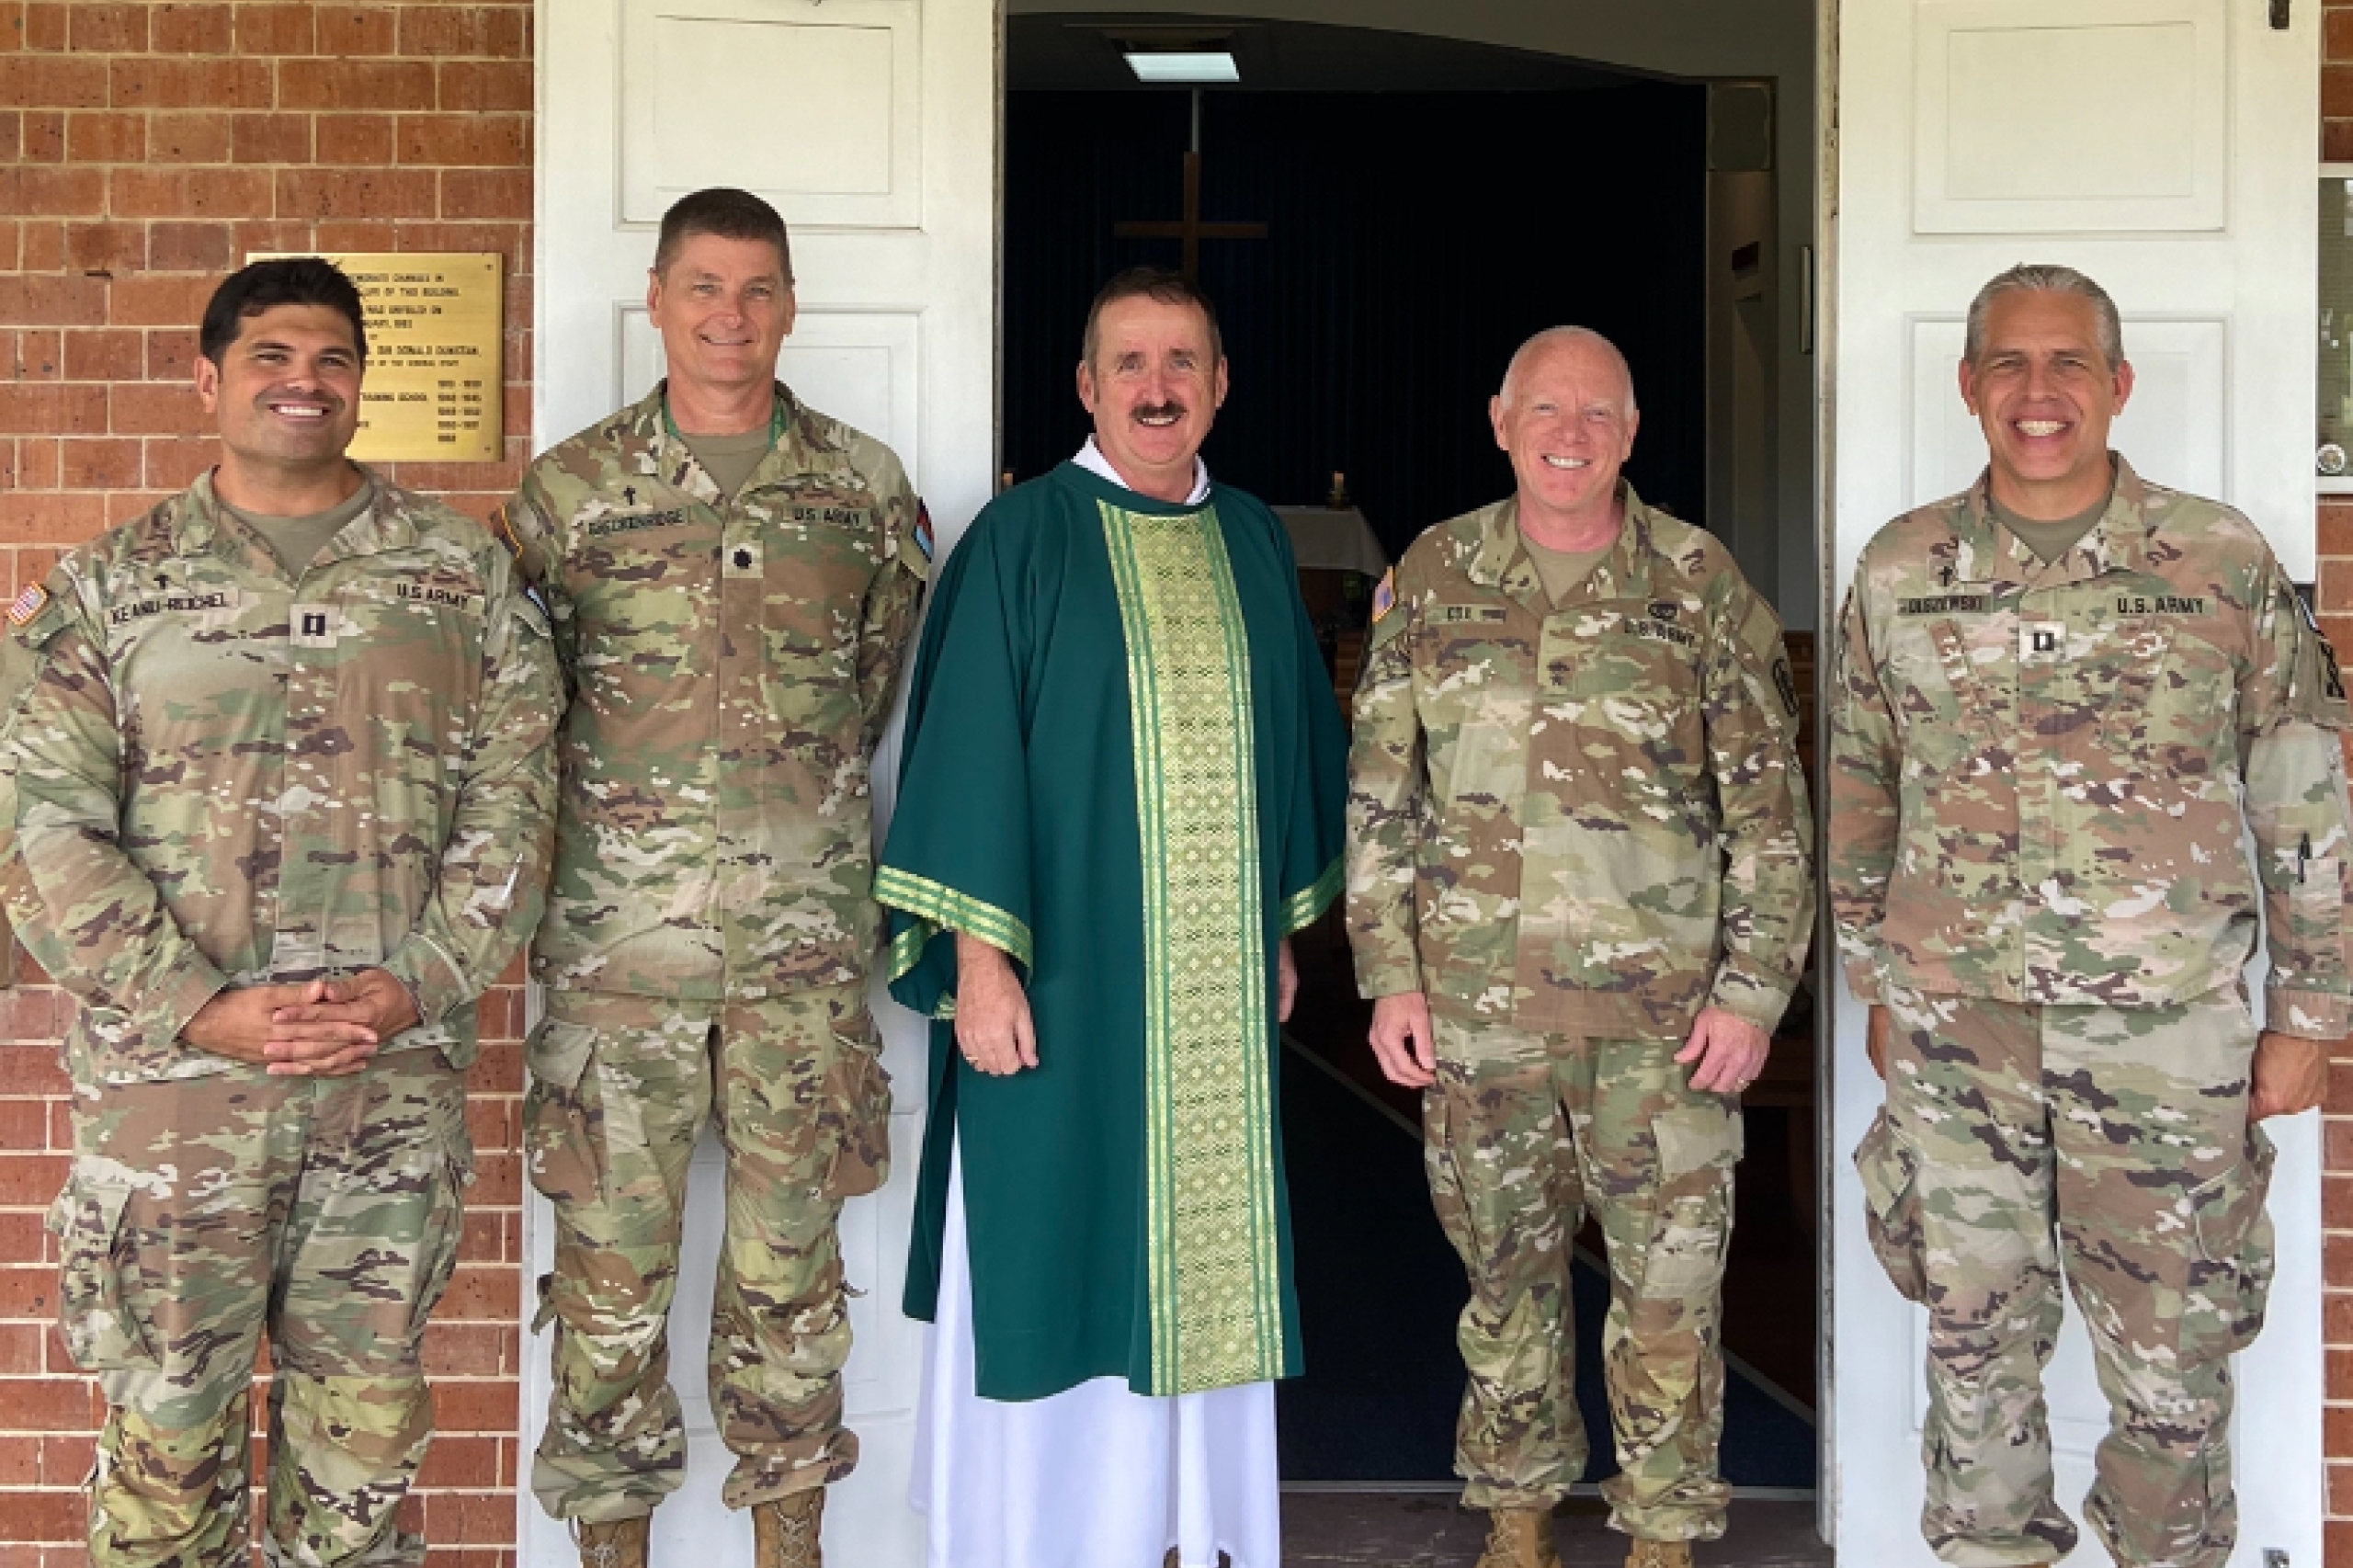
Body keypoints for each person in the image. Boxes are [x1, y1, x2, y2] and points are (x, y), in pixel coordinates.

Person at [1, 257, 561, 1568]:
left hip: (385, 1091)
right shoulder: (107, 588)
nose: (302, 382)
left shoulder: (458, 577)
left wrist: (422, 976)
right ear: (208, 380)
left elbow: (520, 796)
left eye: (331, 360)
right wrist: (202, 1004)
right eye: (269, 356)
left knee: (360, 1473)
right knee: (162, 1465)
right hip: (173, 1100)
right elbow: (38, 825)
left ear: (362, 385)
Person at [1830, 263, 2345, 1568]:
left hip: (2165, 1034)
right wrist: (1879, 985)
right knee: (1974, 1346)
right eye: (2008, 363)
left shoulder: (2219, 561)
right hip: (1960, 1030)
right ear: (1968, 386)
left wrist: (2310, 1015)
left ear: (2117, 386)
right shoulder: (1901, 570)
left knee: (2172, 1359)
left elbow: (2304, 790)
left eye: (2068, 364)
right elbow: (1857, 786)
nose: (2038, 391)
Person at [874, 266, 1349, 1568]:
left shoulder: (1251, 533)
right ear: (1085, 387)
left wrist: (1270, 930)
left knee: (1202, 1268)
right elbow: (970, 751)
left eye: (1182, 363)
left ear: (1220, 385)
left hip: (1209, 1005)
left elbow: (1292, 745)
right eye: (1129, 364)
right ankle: (1040, 1536)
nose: (1157, 387)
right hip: (1059, 985)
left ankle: (1187, 1532)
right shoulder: (1022, 537)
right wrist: (982, 962)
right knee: (1051, 1243)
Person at [498, 187, 928, 1568]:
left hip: (800, 968)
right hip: (618, 970)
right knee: (612, 1284)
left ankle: (789, 1542)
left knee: (792, 1281)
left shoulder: (863, 490)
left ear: (791, 306)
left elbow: (872, 689)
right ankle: (612, 1551)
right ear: (658, 300)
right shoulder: (566, 494)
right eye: (703, 287)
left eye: (756, 290)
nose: (729, 316)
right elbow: (521, 709)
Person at [1346, 327, 1813, 1568]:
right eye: (1546, 408)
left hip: (1665, 1027)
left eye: (1597, 412)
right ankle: (1516, 1518)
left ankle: (1660, 1533)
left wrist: (1757, 991)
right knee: (1505, 1284)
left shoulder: (1700, 582)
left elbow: (1770, 810)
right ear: (1499, 420)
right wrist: (1389, 972)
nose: (1570, 431)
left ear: (1632, 431)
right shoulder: (1437, 577)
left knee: (1668, 1301)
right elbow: (1384, 795)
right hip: (1480, 1011)